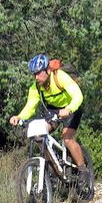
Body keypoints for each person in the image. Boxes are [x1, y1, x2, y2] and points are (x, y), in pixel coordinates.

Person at [9, 53, 88, 188]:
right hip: (54, 111)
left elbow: (77, 95)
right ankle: (53, 169)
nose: (36, 77)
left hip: (71, 107)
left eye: (39, 73)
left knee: (67, 138)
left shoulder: (60, 77)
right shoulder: (36, 87)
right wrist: (19, 117)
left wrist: (69, 109)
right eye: (34, 74)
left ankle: (82, 170)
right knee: (40, 134)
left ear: (48, 70)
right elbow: (30, 106)